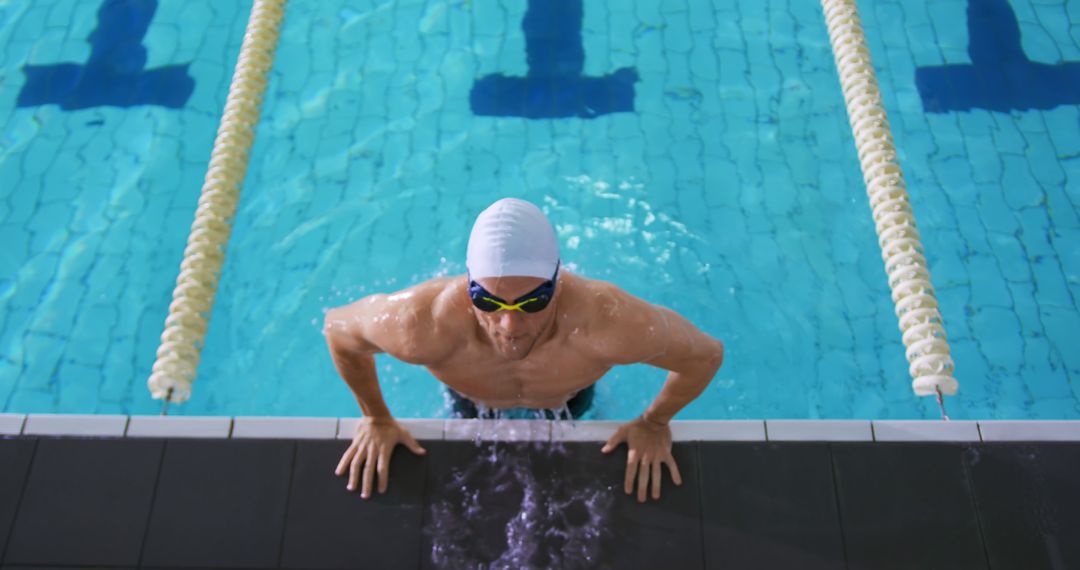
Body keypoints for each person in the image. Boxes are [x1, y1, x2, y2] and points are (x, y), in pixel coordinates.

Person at [324, 198, 724, 502]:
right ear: (468, 287)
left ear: (557, 282)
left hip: (570, 398)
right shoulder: (420, 324)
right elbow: (337, 330)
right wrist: (376, 418)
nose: (509, 326)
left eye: (532, 302)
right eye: (488, 301)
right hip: (470, 400)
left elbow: (705, 355)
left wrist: (653, 423)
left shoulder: (608, 323)